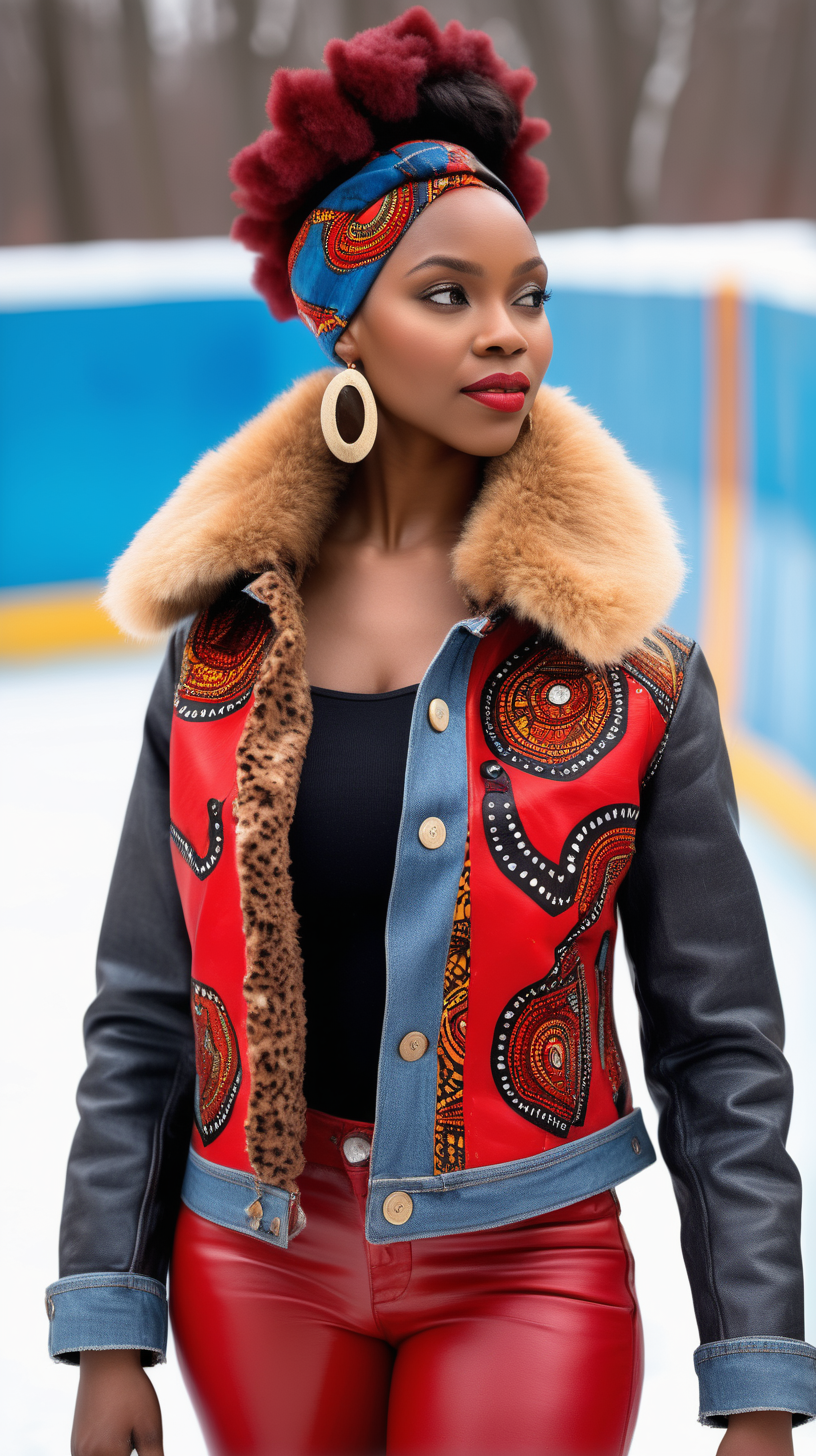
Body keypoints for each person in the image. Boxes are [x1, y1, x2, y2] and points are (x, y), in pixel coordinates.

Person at [50, 9, 814, 1456]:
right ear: (346, 320)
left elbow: (722, 1047)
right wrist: (108, 1323)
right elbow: (145, 1007)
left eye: (527, 293)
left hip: (532, 1263)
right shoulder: (219, 648)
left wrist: (759, 1374)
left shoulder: (637, 671)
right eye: (448, 295)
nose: (506, 332)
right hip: (251, 1264)